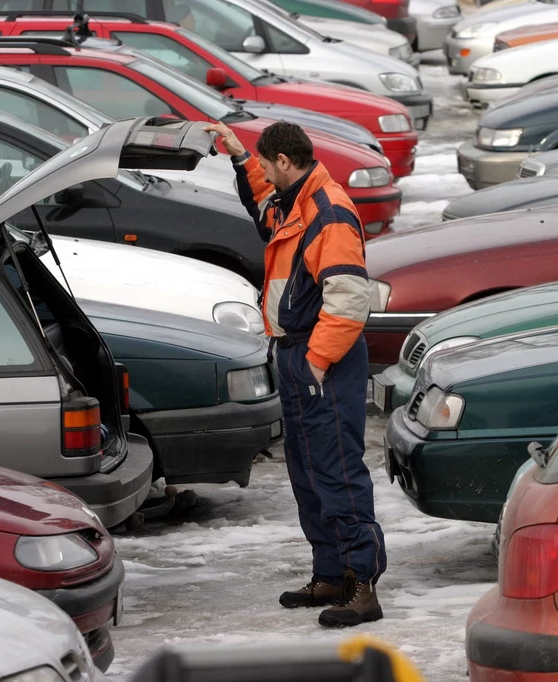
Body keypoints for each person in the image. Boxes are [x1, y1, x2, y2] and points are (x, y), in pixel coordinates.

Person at [204, 119, 386, 628]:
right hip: (299, 355)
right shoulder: (295, 204)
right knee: (307, 474)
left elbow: (349, 301)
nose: (263, 171)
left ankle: (360, 587)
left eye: (265, 162)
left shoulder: (328, 213)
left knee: (338, 473)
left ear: (285, 161)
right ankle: (329, 574)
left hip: (321, 360)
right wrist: (241, 157)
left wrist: (316, 362)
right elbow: (264, 206)